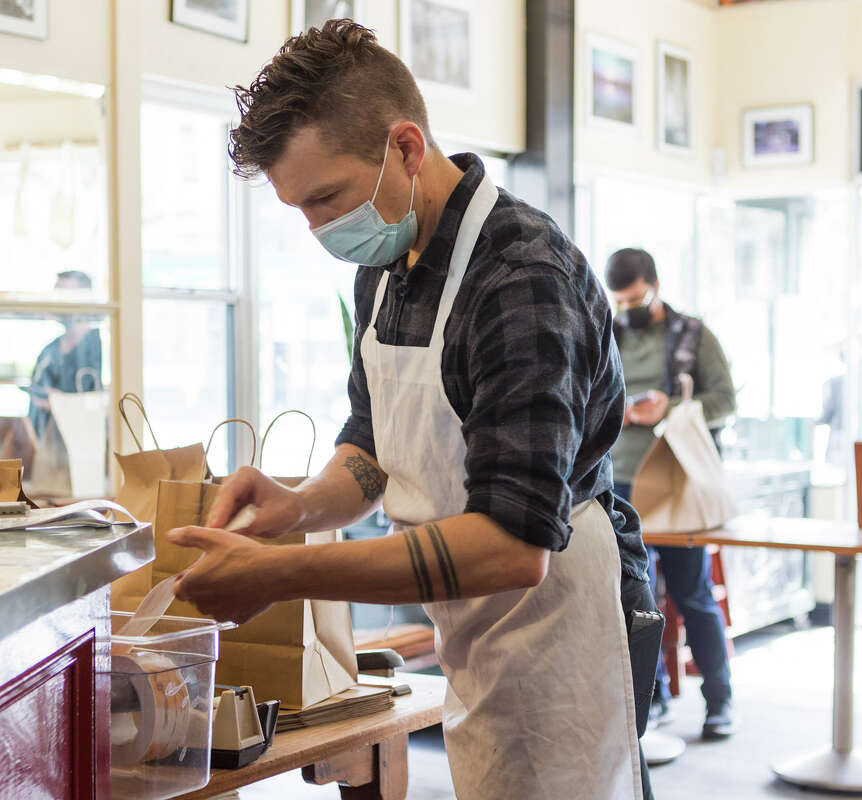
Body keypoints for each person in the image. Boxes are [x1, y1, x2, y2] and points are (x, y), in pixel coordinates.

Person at [166, 22, 655, 800]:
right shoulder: (388, 262)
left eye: (326, 197)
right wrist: (299, 506)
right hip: (468, 617)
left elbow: (514, 544)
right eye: (300, 209)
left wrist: (284, 571)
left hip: (556, 613)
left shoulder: (521, 278)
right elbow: (374, 442)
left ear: (405, 148)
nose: (318, 228)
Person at [604, 247, 738, 741]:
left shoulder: (693, 335)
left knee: (692, 593)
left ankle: (719, 700)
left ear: (656, 287)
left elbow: (724, 401)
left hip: (677, 484)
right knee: (633, 598)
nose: (628, 309)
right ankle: (652, 697)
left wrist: (672, 408)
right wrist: (614, 410)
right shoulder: (607, 331)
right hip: (617, 484)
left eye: (636, 299)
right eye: (619, 301)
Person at [27, 270, 102, 438]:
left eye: (64, 295)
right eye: (56, 295)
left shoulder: (100, 348)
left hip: (86, 444)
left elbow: (104, 405)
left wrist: (61, 403)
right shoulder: (49, 352)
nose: (57, 302)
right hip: (48, 443)